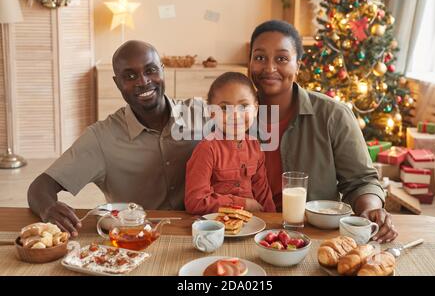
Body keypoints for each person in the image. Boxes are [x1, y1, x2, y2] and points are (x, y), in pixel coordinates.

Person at [27, 40, 204, 237]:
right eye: (130, 76)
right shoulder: (101, 137)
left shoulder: (200, 113)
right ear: (117, 82)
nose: (143, 81)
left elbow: (244, 128)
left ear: (162, 71)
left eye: (151, 70)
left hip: (199, 234)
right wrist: (48, 209)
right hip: (134, 242)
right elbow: (40, 187)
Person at [248, 20, 397, 243]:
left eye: (282, 58)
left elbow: (361, 181)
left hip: (313, 237)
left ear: (298, 65)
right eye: (260, 57)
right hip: (245, 231)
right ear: (249, 62)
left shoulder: (333, 115)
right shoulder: (228, 116)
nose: (269, 68)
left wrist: (370, 209)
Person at [184, 72, 276, 214]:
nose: (235, 116)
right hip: (218, 226)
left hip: (253, 226)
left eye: (243, 106)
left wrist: (272, 221)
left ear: (255, 109)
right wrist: (243, 204)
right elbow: (195, 202)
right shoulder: (207, 149)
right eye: (225, 108)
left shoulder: (255, 146)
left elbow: (263, 193)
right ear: (212, 112)